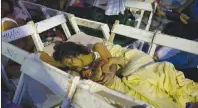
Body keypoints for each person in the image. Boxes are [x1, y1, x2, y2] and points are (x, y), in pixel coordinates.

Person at [37, 42, 198, 108]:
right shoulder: (86, 69)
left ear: (76, 54)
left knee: (176, 85)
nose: (70, 65)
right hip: (129, 77)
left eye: (70, 61)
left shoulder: (97, 46)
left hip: (139, 64)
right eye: (68, 64)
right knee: (146, 94)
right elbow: (46, 59)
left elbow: (109, 59)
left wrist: (109, 68)